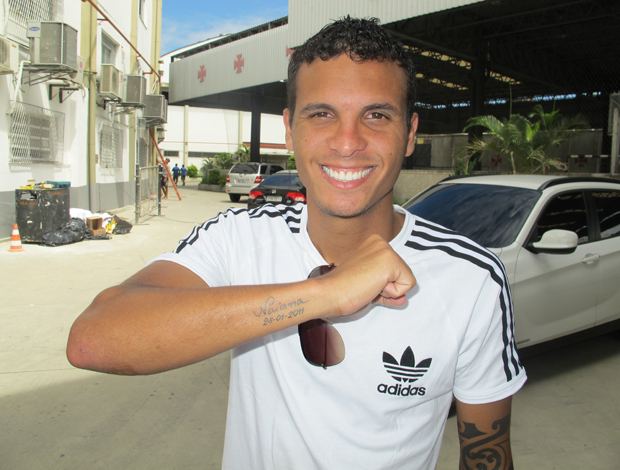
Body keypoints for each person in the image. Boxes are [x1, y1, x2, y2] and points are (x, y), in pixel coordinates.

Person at [67, 16, 525, 470]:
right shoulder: (240, 235)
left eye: (377, 115)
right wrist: (323, 294)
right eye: (322, 114)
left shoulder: (472, 278)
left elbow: (487, 456)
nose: (347, 143)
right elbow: (93, 340)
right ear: (289, 129)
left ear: (409, 134)